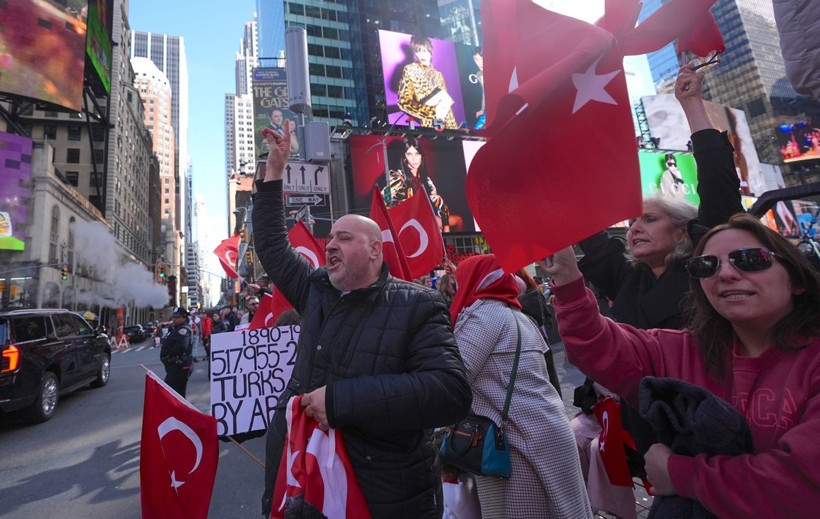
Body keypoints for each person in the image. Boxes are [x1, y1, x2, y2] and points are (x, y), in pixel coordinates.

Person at [255, 121, 472, 518]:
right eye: (330, 239)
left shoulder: (418, 306)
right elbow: (271, 245)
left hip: (382, 499)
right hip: (305, 492)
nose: (331, 245)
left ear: (375, 250)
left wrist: (339, 401)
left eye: (344, 238)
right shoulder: (316, 291)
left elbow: (449, 393)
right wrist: (274, 174)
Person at [542, 213, 820, 517]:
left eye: (750, 259)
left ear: (796, 279)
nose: (726, 274)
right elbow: (598, 348)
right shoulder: (680, 348)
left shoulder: (812, 362)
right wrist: (568, 280)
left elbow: (802, 487)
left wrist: (680, 473)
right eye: (707, 266)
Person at [568, 65, 744, 517]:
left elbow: (722, 190)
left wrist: (692, 106)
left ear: (685, 229)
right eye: (630, 224)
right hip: (643, 439)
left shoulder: (709, 270)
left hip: (708, 436)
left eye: (648, 219)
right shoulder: (628, 277)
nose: (633, 230)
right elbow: (586, 227)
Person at [450, 254, 591, 518]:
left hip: (515, 441)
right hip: (545, 429)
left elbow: (454, 378)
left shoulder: (483, 314)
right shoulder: (518, 316)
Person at [382, 136, 458, 231]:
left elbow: (440, 204)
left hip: (423, 221)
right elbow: (383, 201)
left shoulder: (426, 180)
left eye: (417, 154)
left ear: (421, 156)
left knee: (458, 221)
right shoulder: (397, 177)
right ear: (404, 157)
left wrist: (446, 228)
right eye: (409, 154)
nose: (414, 158)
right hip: (405, 226)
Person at [397, 35, 458, 129]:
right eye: (418, 51)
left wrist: (453, 128)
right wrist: (431, 112)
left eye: (424, 51)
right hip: (428, 124)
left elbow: (446, 105)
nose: (421, 55)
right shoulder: (411, 70)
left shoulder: (438, 75)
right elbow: (403, 102)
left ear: (430, 50)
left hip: (445, 124)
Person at [160, 306, 193, 397]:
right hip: (175, 366)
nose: (174, 320)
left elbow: (182, 347)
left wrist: (168, 352)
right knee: (175, 395)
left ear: (184, 318)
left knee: (175, 395)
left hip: (179, 365)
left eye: (177, 318)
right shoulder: (176, 328)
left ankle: (184, 411)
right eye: (173, 317)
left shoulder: (183, 330)